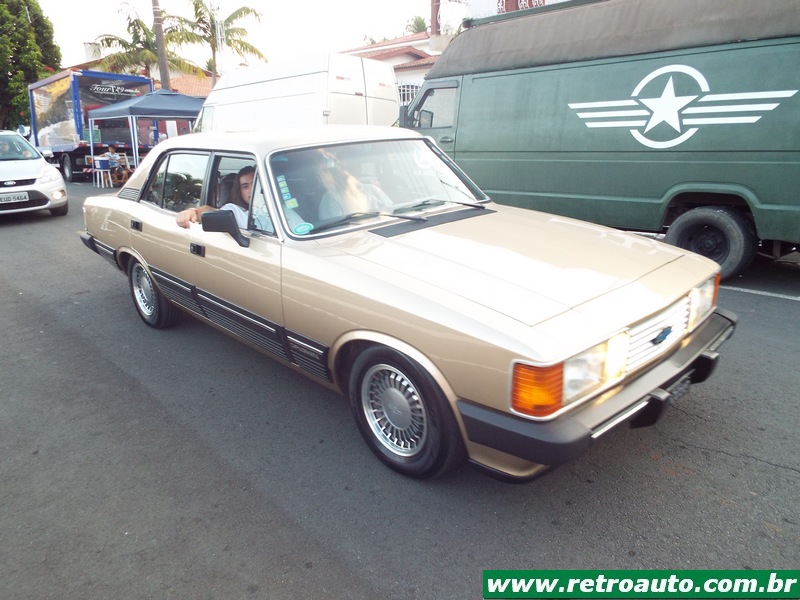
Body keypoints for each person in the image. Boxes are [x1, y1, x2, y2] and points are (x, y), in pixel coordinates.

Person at [177, 165, 255, 229]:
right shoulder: (236, 211)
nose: (252, 190)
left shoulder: (261, 209)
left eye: (255, 184)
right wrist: (194, 212)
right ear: (240, 192)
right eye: (245, 186)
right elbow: (211, 211)